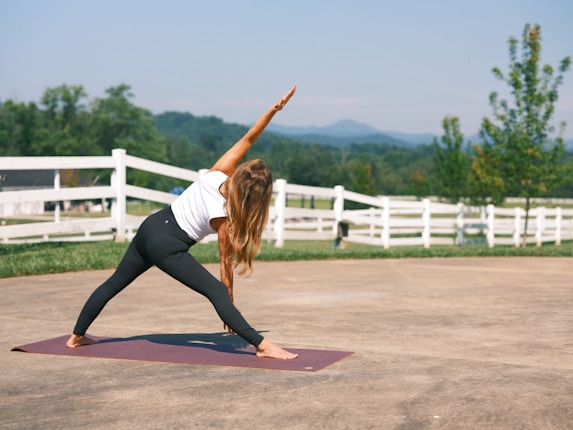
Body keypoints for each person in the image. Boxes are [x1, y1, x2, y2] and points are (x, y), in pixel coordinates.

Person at [66, 85, 298, 359]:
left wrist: (273, 110)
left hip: (151, 225)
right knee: (215, 290)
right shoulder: (222, 214)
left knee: (114, 282)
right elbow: (224, 263)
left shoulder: (218, 173)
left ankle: (76, 336)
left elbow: (248, 139)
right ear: (253, 198)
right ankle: (261, 345)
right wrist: (229, 301)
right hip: (167, 245)